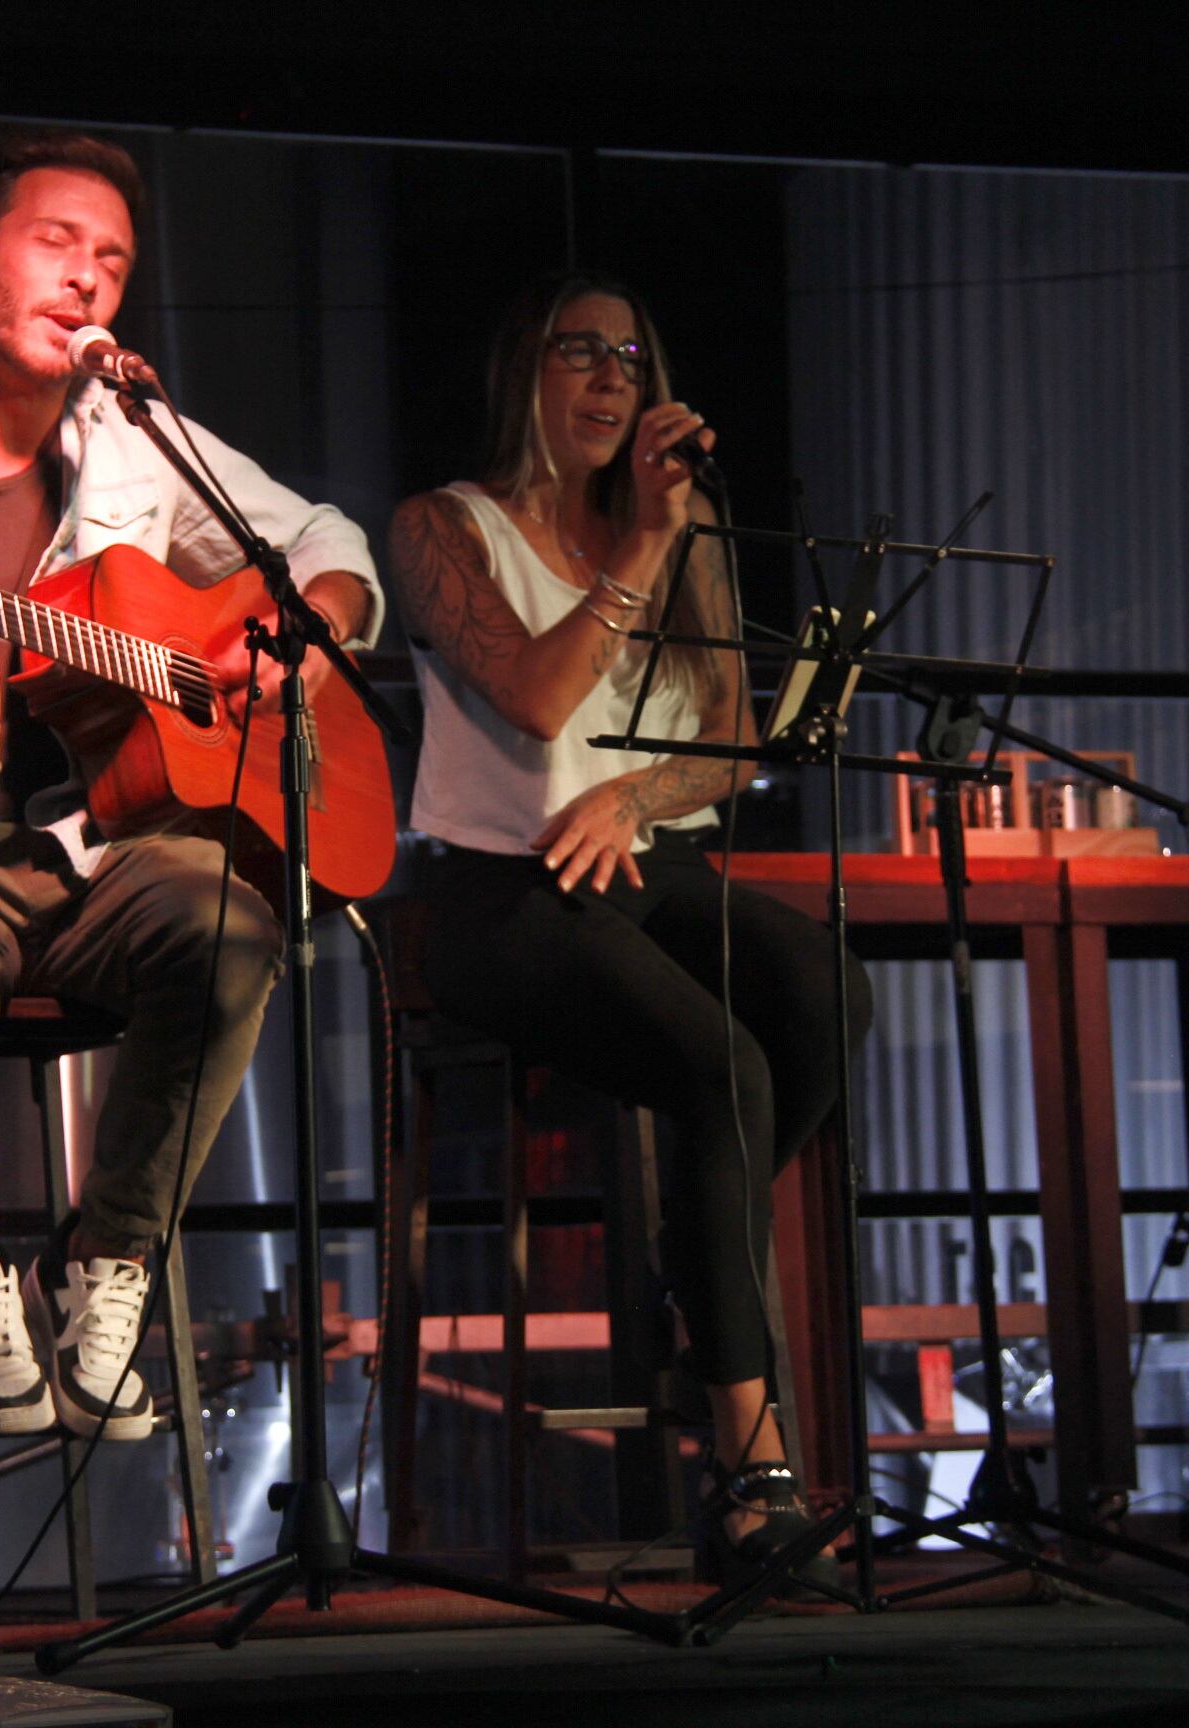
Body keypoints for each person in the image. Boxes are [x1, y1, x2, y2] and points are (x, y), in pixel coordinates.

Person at [0, 132, 381, 1443]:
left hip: (91, 852)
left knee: (232, 920)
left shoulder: (131, 438)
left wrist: (301, 639)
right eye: (57, 242)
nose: (88, 280)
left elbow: (324, 540)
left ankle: (107, 1266)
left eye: (111, 258)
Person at [386, 274, 872, 1587]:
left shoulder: (688, 522)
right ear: (522, 375)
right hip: (500, 891)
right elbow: (540, 703)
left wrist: (636, 789)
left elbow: (728, 738)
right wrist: (642, 550)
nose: (610, 379)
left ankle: (693, 1291)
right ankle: (751, 1467)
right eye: (580, 354)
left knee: (828, 991)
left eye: (630, 357)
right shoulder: (441, 528)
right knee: (725, 1067)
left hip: (636, 857)